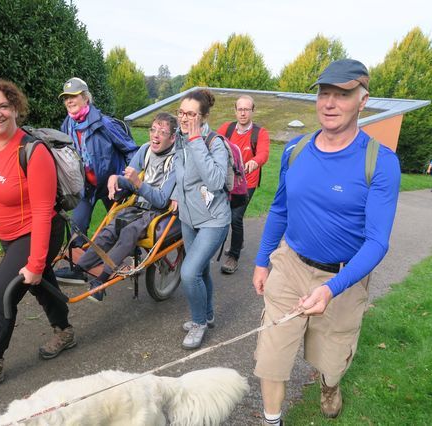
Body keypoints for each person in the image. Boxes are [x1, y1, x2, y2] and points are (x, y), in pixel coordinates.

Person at [252, 59, 400, 424]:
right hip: (290, 265)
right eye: (324, 93)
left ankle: (330, 385)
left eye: (342, 95)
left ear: (363, 101)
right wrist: (261, 260)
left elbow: (377, 242)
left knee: (331, 361)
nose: (329, 103)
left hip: (343, 278)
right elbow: (280, 208)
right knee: (271, 355)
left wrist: (332, 288)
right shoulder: (296, 150)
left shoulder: (380, 162)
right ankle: (273, 420)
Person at [0, 78, 74, 395]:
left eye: (3, 106)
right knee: (41, 286)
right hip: (10, 237)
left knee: (0, 296)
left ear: (15, 107)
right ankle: (64, 331)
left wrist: (35, 261)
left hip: (39, 233)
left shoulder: (32, 153)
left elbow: (41, 211)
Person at [55, 113, 178, 301]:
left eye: (162, 132)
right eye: (153, 129)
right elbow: (128, 181)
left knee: (128, 232)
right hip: (137, 205)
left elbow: (161, 200)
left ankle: (101, 281)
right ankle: (80, 270)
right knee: (109, 229)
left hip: (158, 211)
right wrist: (116, 178)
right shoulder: (145, 149)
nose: (155, 135)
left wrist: (137, 183)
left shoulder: (176, 160)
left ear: (172, 137)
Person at [171, 89, 230, 350]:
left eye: (191, 114)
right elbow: (180, 176)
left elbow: (216, 181)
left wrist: (196, 140)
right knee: (201, 269)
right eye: (181, 113)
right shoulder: (178, 139)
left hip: (213, 219)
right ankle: (207, 315)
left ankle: (198, 323)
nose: (184, 119)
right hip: (188, 217)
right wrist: (175, 197)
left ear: (203, 117)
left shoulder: (213, 142)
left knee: (189, 272)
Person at [59, 77, 139, 247]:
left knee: (123, 226)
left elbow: (131, 150)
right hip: (86, 186)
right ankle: (81, 269)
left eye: (73, 96)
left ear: (86, 98)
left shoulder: (105, 124)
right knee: (76, 230)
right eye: (66, 98)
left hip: (111, 184)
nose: (69, 101)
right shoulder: (67, 126)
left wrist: (126, 177)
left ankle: (133, 260)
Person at [216, 95, 270, 274]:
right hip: (228, 179)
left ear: (253, 111)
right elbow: (213, 142)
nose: (243, 113)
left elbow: (263, 153)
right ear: (235, 110)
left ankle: (234, 256)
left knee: (235, 217)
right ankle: (238, 241)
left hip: (248, 182)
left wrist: (255, 162)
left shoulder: (259, 133)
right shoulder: (227, 128)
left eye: (247, 109)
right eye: (240, 109)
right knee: (221, 212)